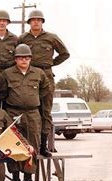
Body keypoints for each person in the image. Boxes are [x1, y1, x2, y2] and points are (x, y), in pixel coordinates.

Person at [18, 10, 70, 156]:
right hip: (28, 75)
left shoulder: (51, 37)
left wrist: (50, 63)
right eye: (33, 20)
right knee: (29, 108)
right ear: (29, 22)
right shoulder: (22, 38)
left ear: (42, 22)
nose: (36, 22)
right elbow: (17, 55)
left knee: (45, 111)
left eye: (38, 20)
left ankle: (43, 145)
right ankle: (27, 143)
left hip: (46, 75)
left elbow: (65, 54)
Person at [2, 44, 50, 181]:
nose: (24, 60)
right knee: (14, 144)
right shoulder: (7, 74)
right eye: (20, 57)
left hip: (32, 113)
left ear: (30, 59)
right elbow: (2, 92)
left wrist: (31, 99)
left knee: (32, 145)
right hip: (13, 112)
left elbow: (45, 89)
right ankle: (15, 179)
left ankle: (28, 179)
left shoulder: (39, 73)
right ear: (15, 59)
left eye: (26, 57)